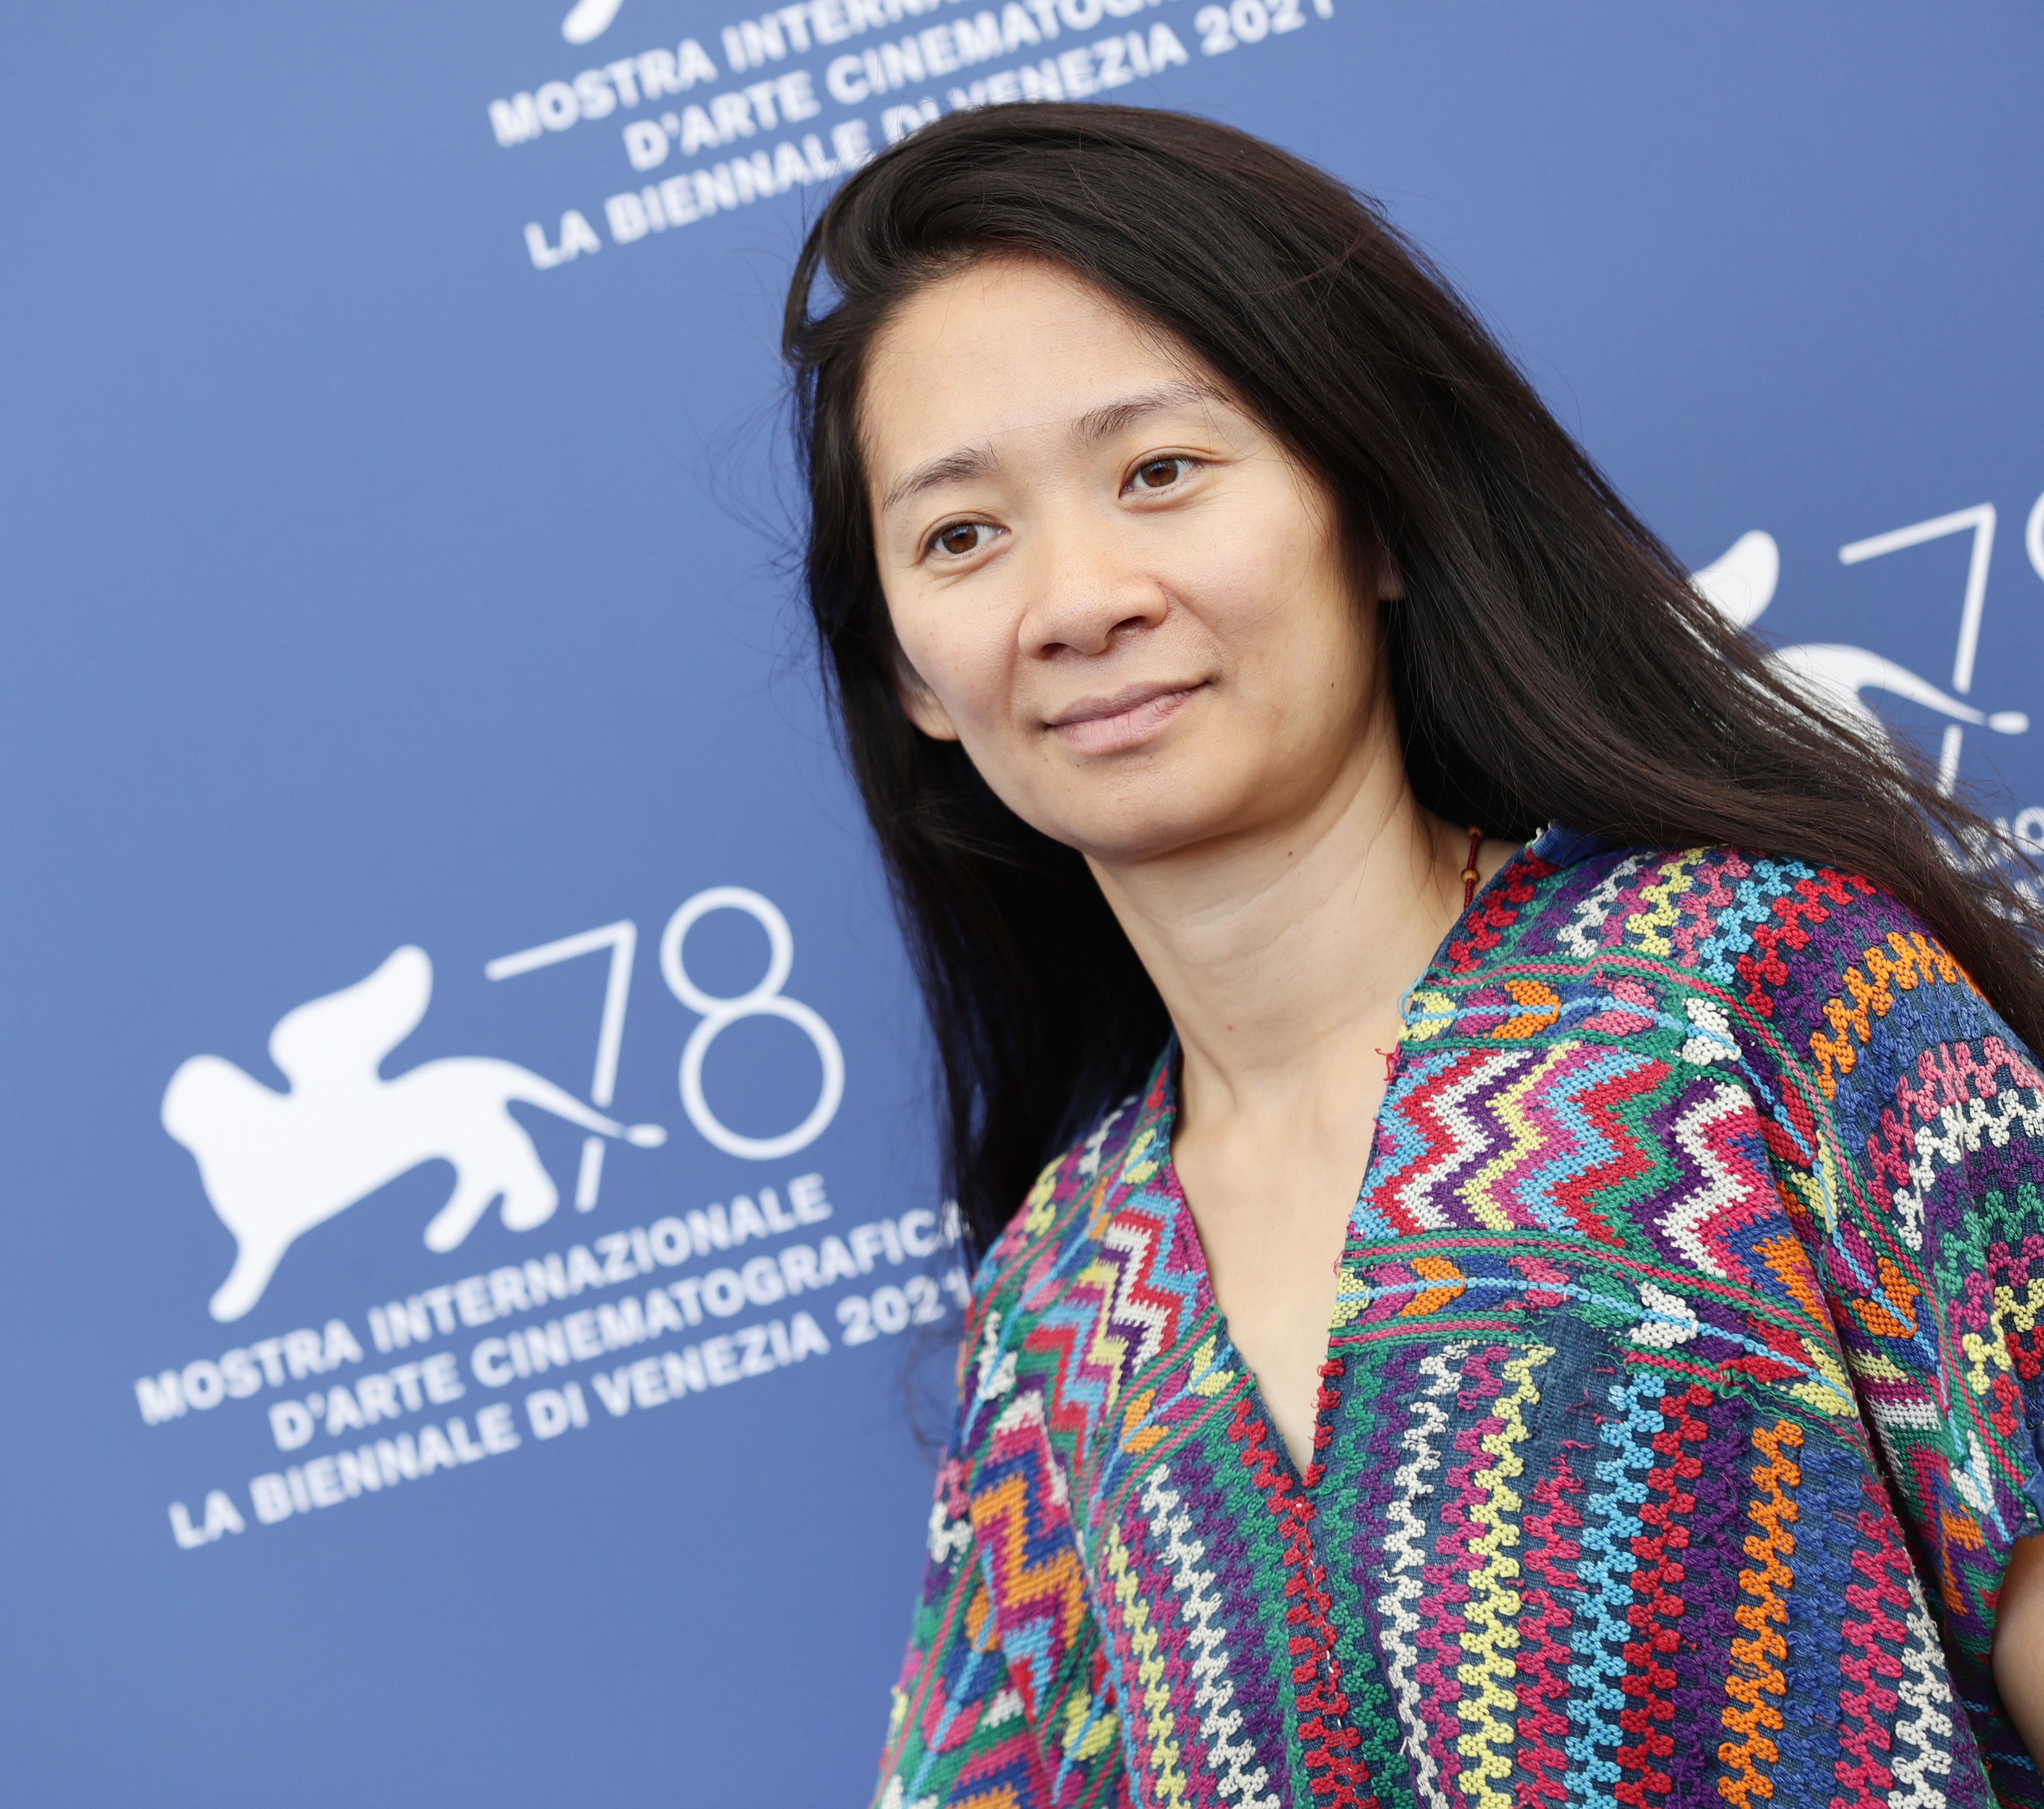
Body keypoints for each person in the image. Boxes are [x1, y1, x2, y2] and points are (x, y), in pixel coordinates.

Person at [782, 103, 2044, 1807]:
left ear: (1372, 514)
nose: (1075, 602)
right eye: (960, 535)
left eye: (1160, 472)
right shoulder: (1057, 1310)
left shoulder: (1769, 992)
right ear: (912, 676)